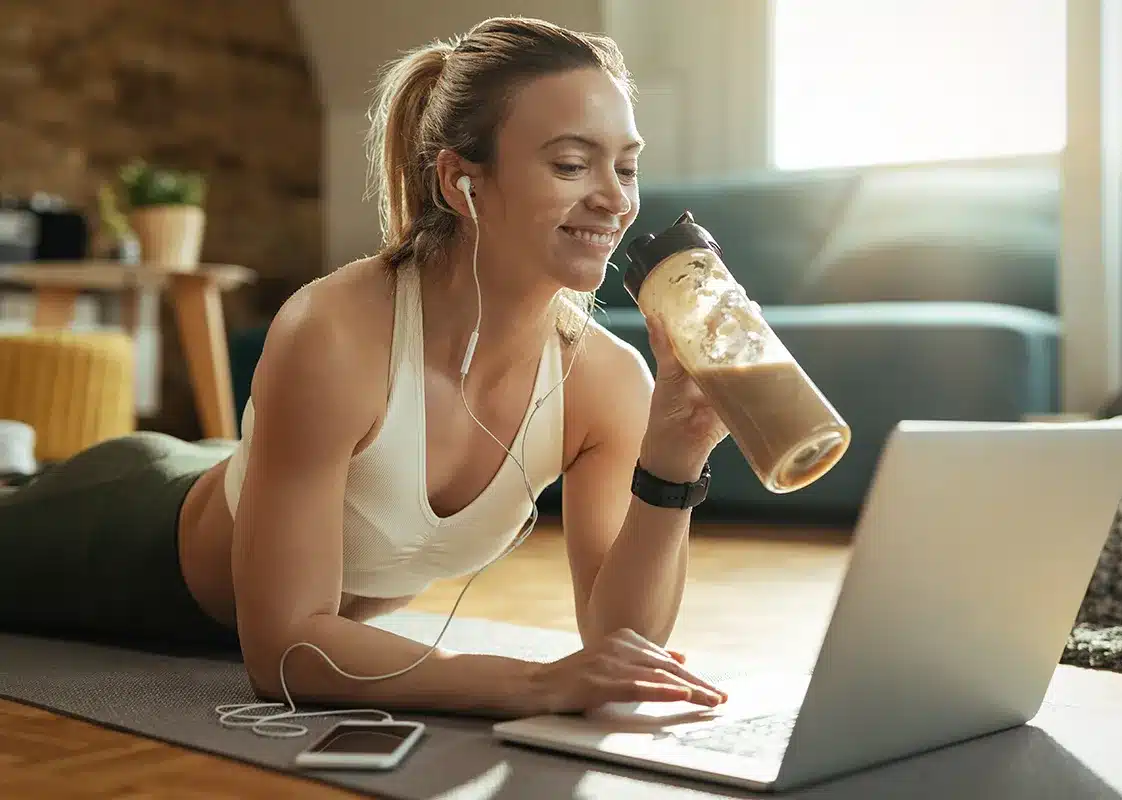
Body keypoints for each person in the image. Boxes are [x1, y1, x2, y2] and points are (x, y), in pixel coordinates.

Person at [0, 16, 732, 721]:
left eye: (627, 165)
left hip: (244, 475)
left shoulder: (607, 381)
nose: (614, 198)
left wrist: (674, 462)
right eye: (572, 164)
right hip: (129, 531)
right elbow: (282, 650)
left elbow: (621, 648)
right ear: (461, 184)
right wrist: (534, 683)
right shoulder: (335, 334)